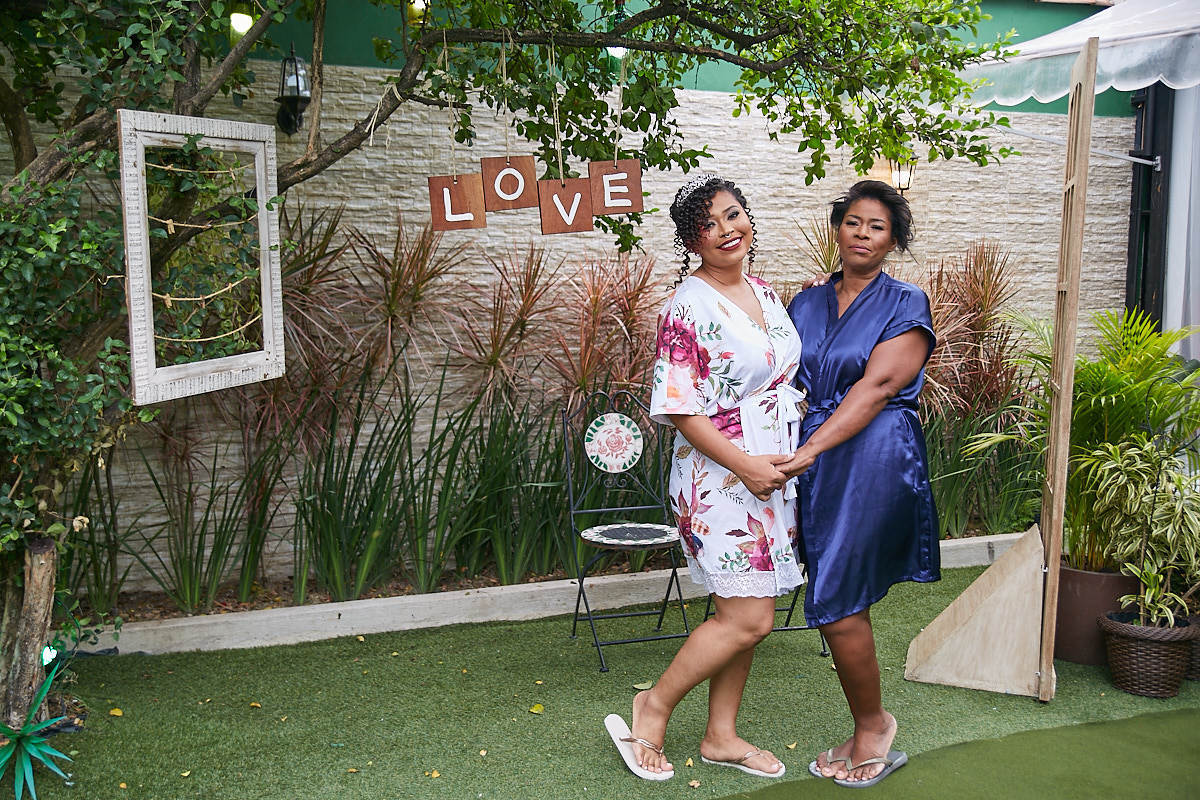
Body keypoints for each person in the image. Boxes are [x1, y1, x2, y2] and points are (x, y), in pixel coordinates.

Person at [605, 174, 804, 782]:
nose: (726, 230)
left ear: (749, 219)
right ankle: (653, 705)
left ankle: (722, 736)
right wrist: (746, 465)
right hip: (720, 479)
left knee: (744, 614)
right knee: (749, 618)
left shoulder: (765, 293)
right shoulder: (686, 306)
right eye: (709, 225)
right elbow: (679, 408)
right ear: (693, 242)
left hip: (770, 475)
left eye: (733, 215)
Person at [781, 179, 940, 788]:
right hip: (811, 455)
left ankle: (874, 726)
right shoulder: (805, 303)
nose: (863, 234)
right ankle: (865, 723)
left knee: (839, 595)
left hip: (871, 456)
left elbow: (876, 389)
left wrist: (807, 451)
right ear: (837, 229)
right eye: (853, 222)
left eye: (877, 226)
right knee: (833, 591)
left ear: (893, 240)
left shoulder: (906, 302)